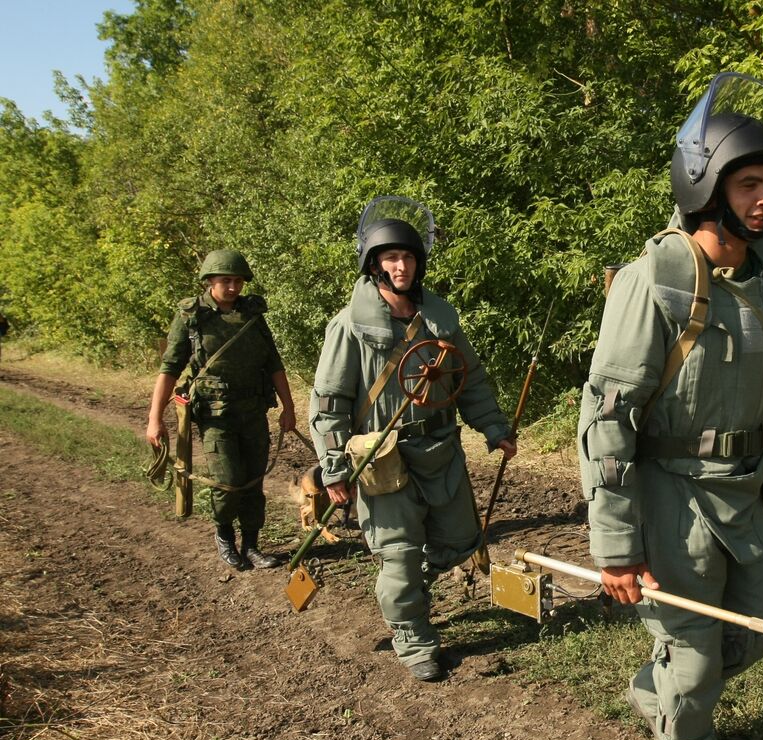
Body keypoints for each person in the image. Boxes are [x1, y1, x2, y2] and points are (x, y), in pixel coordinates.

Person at [578, 74, 763, 740]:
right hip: (669, 497)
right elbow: (607, 416)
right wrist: (615, 544)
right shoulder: (657, 281)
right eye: (748, 183)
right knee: (694, 661)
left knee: (762, 626)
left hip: (741, 495)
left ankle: (658, 687)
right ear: (705, 184)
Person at [309, 200, 516, 683]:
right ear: (374, 264)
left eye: (408, 257)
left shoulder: (440, 319)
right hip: (382, 459)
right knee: (399, 550)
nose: (401, 266)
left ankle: (407, 590)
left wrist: (494, 428)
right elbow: (329, 403)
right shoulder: (349, 327)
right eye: (390, 258)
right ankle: (413, 636)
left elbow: (472, 378)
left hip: (441, 449)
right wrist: (336, 469)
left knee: (460, 540)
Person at [147, 250, 297, 570]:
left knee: (254, 482)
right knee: (228, 482)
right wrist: (154, 418)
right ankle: (225, 537)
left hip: (254, 413)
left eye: (238, 281)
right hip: (216, 417)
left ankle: (253, 546)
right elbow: (170, 368)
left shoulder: (253, 314)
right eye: (226, 280)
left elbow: (274, 363)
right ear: (210, 281)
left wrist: (289, 406)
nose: (233, 287)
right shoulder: (192, 317)